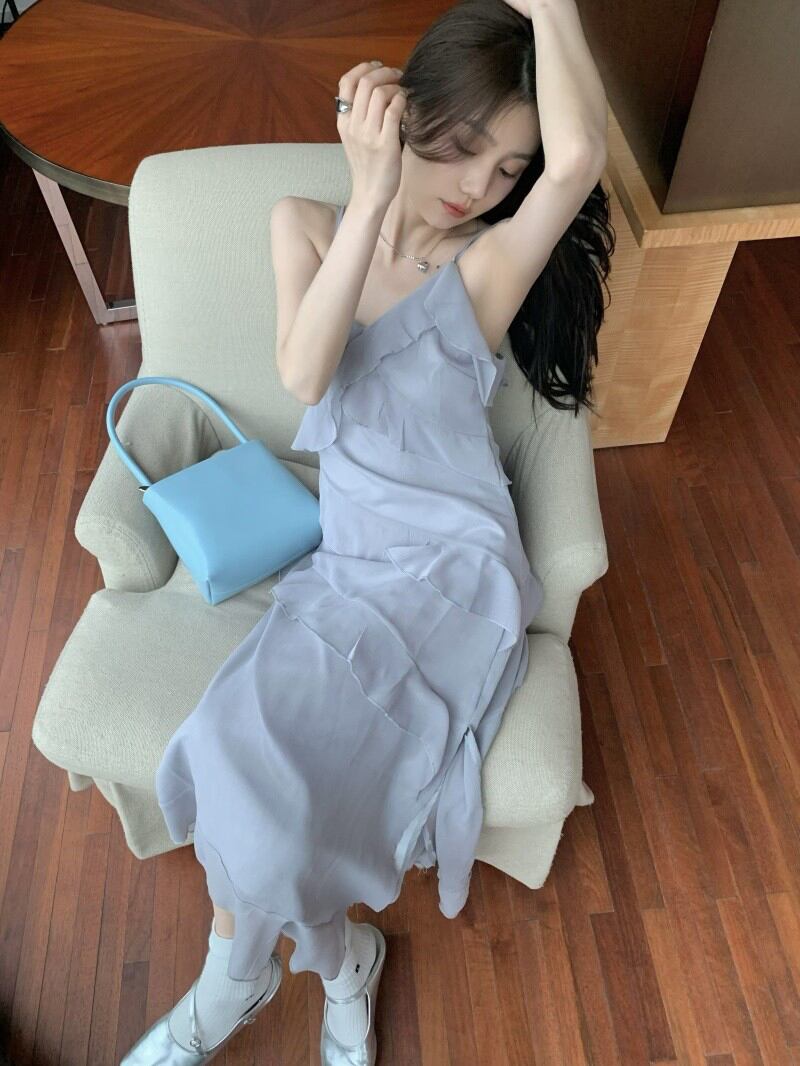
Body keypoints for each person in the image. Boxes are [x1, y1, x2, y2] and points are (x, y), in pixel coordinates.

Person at [121, 0, 612, 1062]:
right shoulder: (305, 222)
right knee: (231, 753)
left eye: (505, 168)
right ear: (405, 111)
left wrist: (552, 4)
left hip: (454, 574)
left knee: (288, 790)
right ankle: (335, 964)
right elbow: (304, 370)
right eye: (463, 145)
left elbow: (576, 160)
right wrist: (373, 193)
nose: (477, 185)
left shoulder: (482, 268)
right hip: (347, 565)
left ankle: (232, 991)